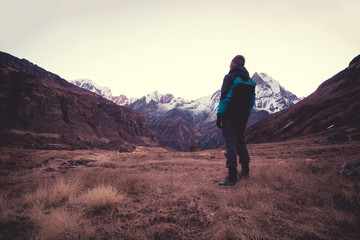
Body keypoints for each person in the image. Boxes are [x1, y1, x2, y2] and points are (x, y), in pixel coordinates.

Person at [216, 55, 256, 186]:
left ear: (233, 64)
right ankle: (245, 172)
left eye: (230, 63)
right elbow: (251, 103)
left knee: (230, 145)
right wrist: (246, 117)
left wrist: (219, 115)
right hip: (242, 118)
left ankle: (232, 177)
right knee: (241, 143)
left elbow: (224, 98)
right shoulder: (250, 82)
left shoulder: (230, 78)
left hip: (229, 117)